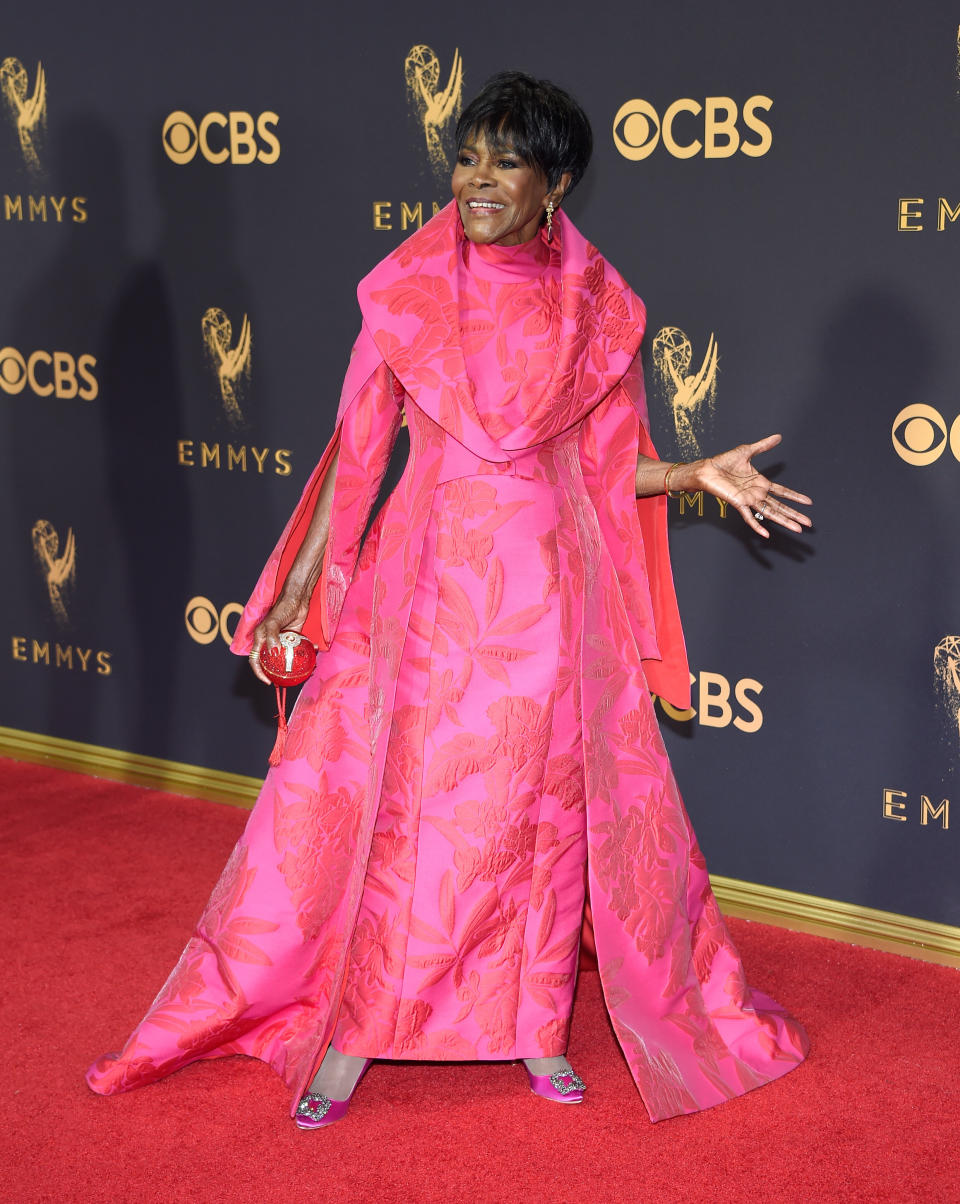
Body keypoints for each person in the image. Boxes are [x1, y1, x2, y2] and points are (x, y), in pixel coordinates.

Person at [87, 71, 812, 1128]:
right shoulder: (408, 290)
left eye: (504, 160)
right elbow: (356, 458)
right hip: (421, 595)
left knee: (538, 819)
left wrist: (693, 475)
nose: (476, 179)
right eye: (466, 156)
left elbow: (608, 467)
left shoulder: (602, 311)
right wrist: (298, 592)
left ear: (555, 182)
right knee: (401, 817)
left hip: (551, 606)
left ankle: (530, 1026)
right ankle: (351, 1036)